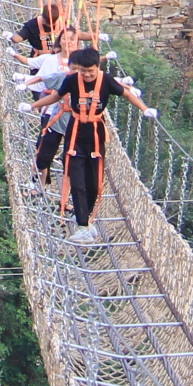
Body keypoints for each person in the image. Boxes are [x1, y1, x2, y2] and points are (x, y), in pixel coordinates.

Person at [37, 46, 154, 245]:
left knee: (93, 183)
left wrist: (144, 109)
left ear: (97, 66)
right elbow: (56, 96)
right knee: (77, 180)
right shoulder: (72, 80)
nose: (87, 75)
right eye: (83, 71)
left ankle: (88, 222)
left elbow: (125, 94)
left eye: (90, 70)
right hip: (75, 133)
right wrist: (33, 106)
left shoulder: (105, 80)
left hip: (95, 135)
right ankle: (82, 225)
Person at [26, 26, 81, 192]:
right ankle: (40, 183)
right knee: (42, 149)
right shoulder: (52, 61)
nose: (68, 42)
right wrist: (27, 86)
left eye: (72, 39)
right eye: (64, 38)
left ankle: (68, 197)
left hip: (76, 119)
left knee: (71, 158)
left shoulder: (84, 62)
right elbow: (42, 79)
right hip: (53, 112)